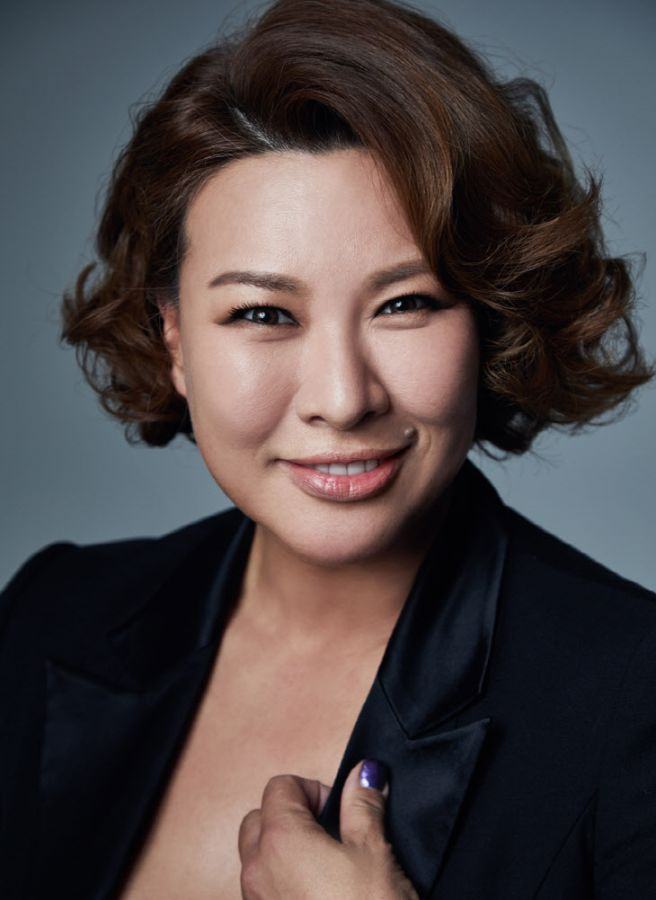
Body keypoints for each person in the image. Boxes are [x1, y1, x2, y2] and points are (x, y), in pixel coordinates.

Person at [1, 0, 654, 897]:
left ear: (490, 319)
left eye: (406, 304)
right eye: (264, 313)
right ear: (174, 339)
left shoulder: (634, 697)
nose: (343, 399)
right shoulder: (49, 614)